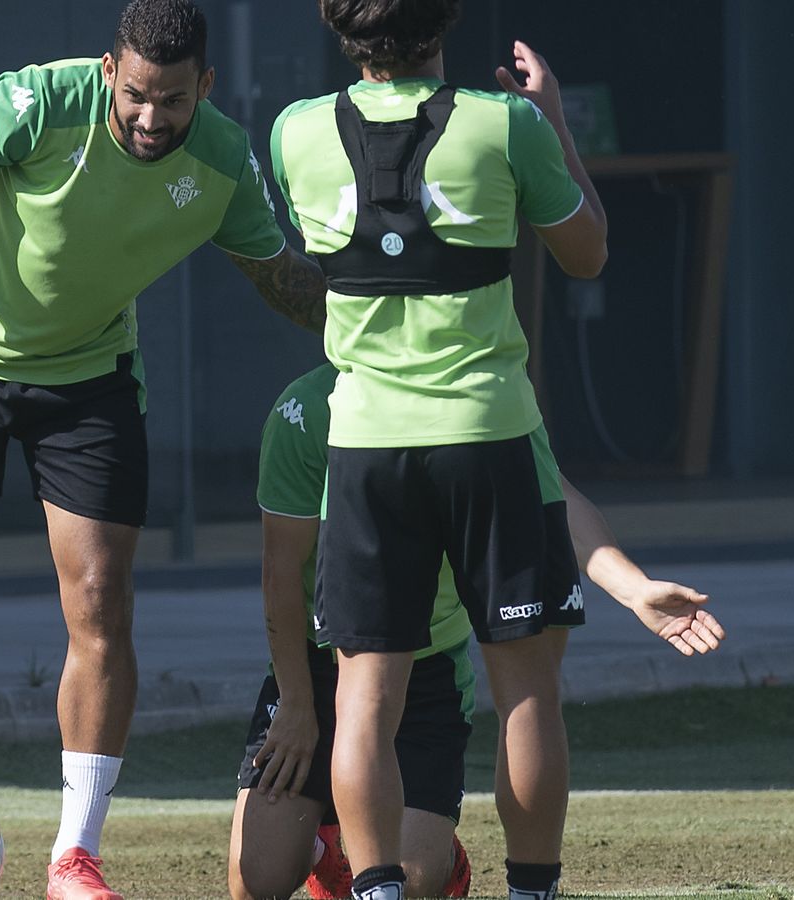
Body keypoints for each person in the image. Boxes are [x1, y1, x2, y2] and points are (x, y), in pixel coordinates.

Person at [0, 1, 328, 896]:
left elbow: (285, 280)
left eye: (175, 100)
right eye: (137, 95)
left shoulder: (224, 161)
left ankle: (76, 855)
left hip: (89, 375)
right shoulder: (36, 105)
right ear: (110, 72)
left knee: (103, 600)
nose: (152, 118)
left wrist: (392, 323)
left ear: (205, 88)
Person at [270, 2, 613, 897]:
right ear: (444, 20)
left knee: (364, 700)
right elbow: (587, 253)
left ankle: (375, 889)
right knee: (525, 690)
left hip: (366, 446)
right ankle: (532, 889)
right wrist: (554, 123)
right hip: (488, 436)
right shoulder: (506, 124)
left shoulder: (295, 132)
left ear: (340, 26)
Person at [226, 365, 726, 900]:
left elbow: (552, 493)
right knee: (257, 881)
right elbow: (280, 571)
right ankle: (329, 840)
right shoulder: (310, 410)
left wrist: (634, 588)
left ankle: (444, 862)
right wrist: (297, 703)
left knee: (414, 878)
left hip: (428, 669)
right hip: (324, 661)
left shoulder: (483, 395)